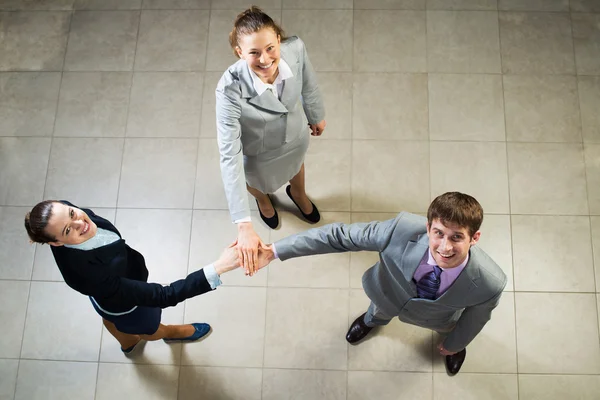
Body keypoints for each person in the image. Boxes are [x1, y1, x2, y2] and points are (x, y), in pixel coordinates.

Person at [257, 192, 507, 376]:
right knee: (377, 312)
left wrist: (455, 344)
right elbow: (338, 236)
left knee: (450, 330)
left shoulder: (490, 283)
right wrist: (275, 250)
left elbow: (476, 319)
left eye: (457, 237)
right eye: (439, 233)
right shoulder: (398, 230)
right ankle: (370, 322)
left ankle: (452, 347)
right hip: (387, 295)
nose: (445, 247)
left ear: (474, 238)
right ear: (428, 227)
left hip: (441, 316)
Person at [24, 200, 241, 354]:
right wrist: (219, 267)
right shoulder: (92, 276)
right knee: (149, 326)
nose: (81, 223)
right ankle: (170, 333)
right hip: (125, 304)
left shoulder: (62, 217)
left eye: (72, 213)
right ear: (56, 243)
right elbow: (163, 295)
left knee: (111, 317)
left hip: (109, 292)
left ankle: (127, 343)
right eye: (68, 230)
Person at [216, 6, 326, 276]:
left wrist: (316, 114)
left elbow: (309, 83)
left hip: (295, 136)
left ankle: (297, 194)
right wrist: (243, 224)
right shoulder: (229, 89)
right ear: (240, 53)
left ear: (278, 39)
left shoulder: (296, 49)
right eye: (253, 52)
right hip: (259, 152)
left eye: (269, 48)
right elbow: (229, 154)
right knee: (257, 183)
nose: (264, 59)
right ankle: (264, 202)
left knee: (297, 166)